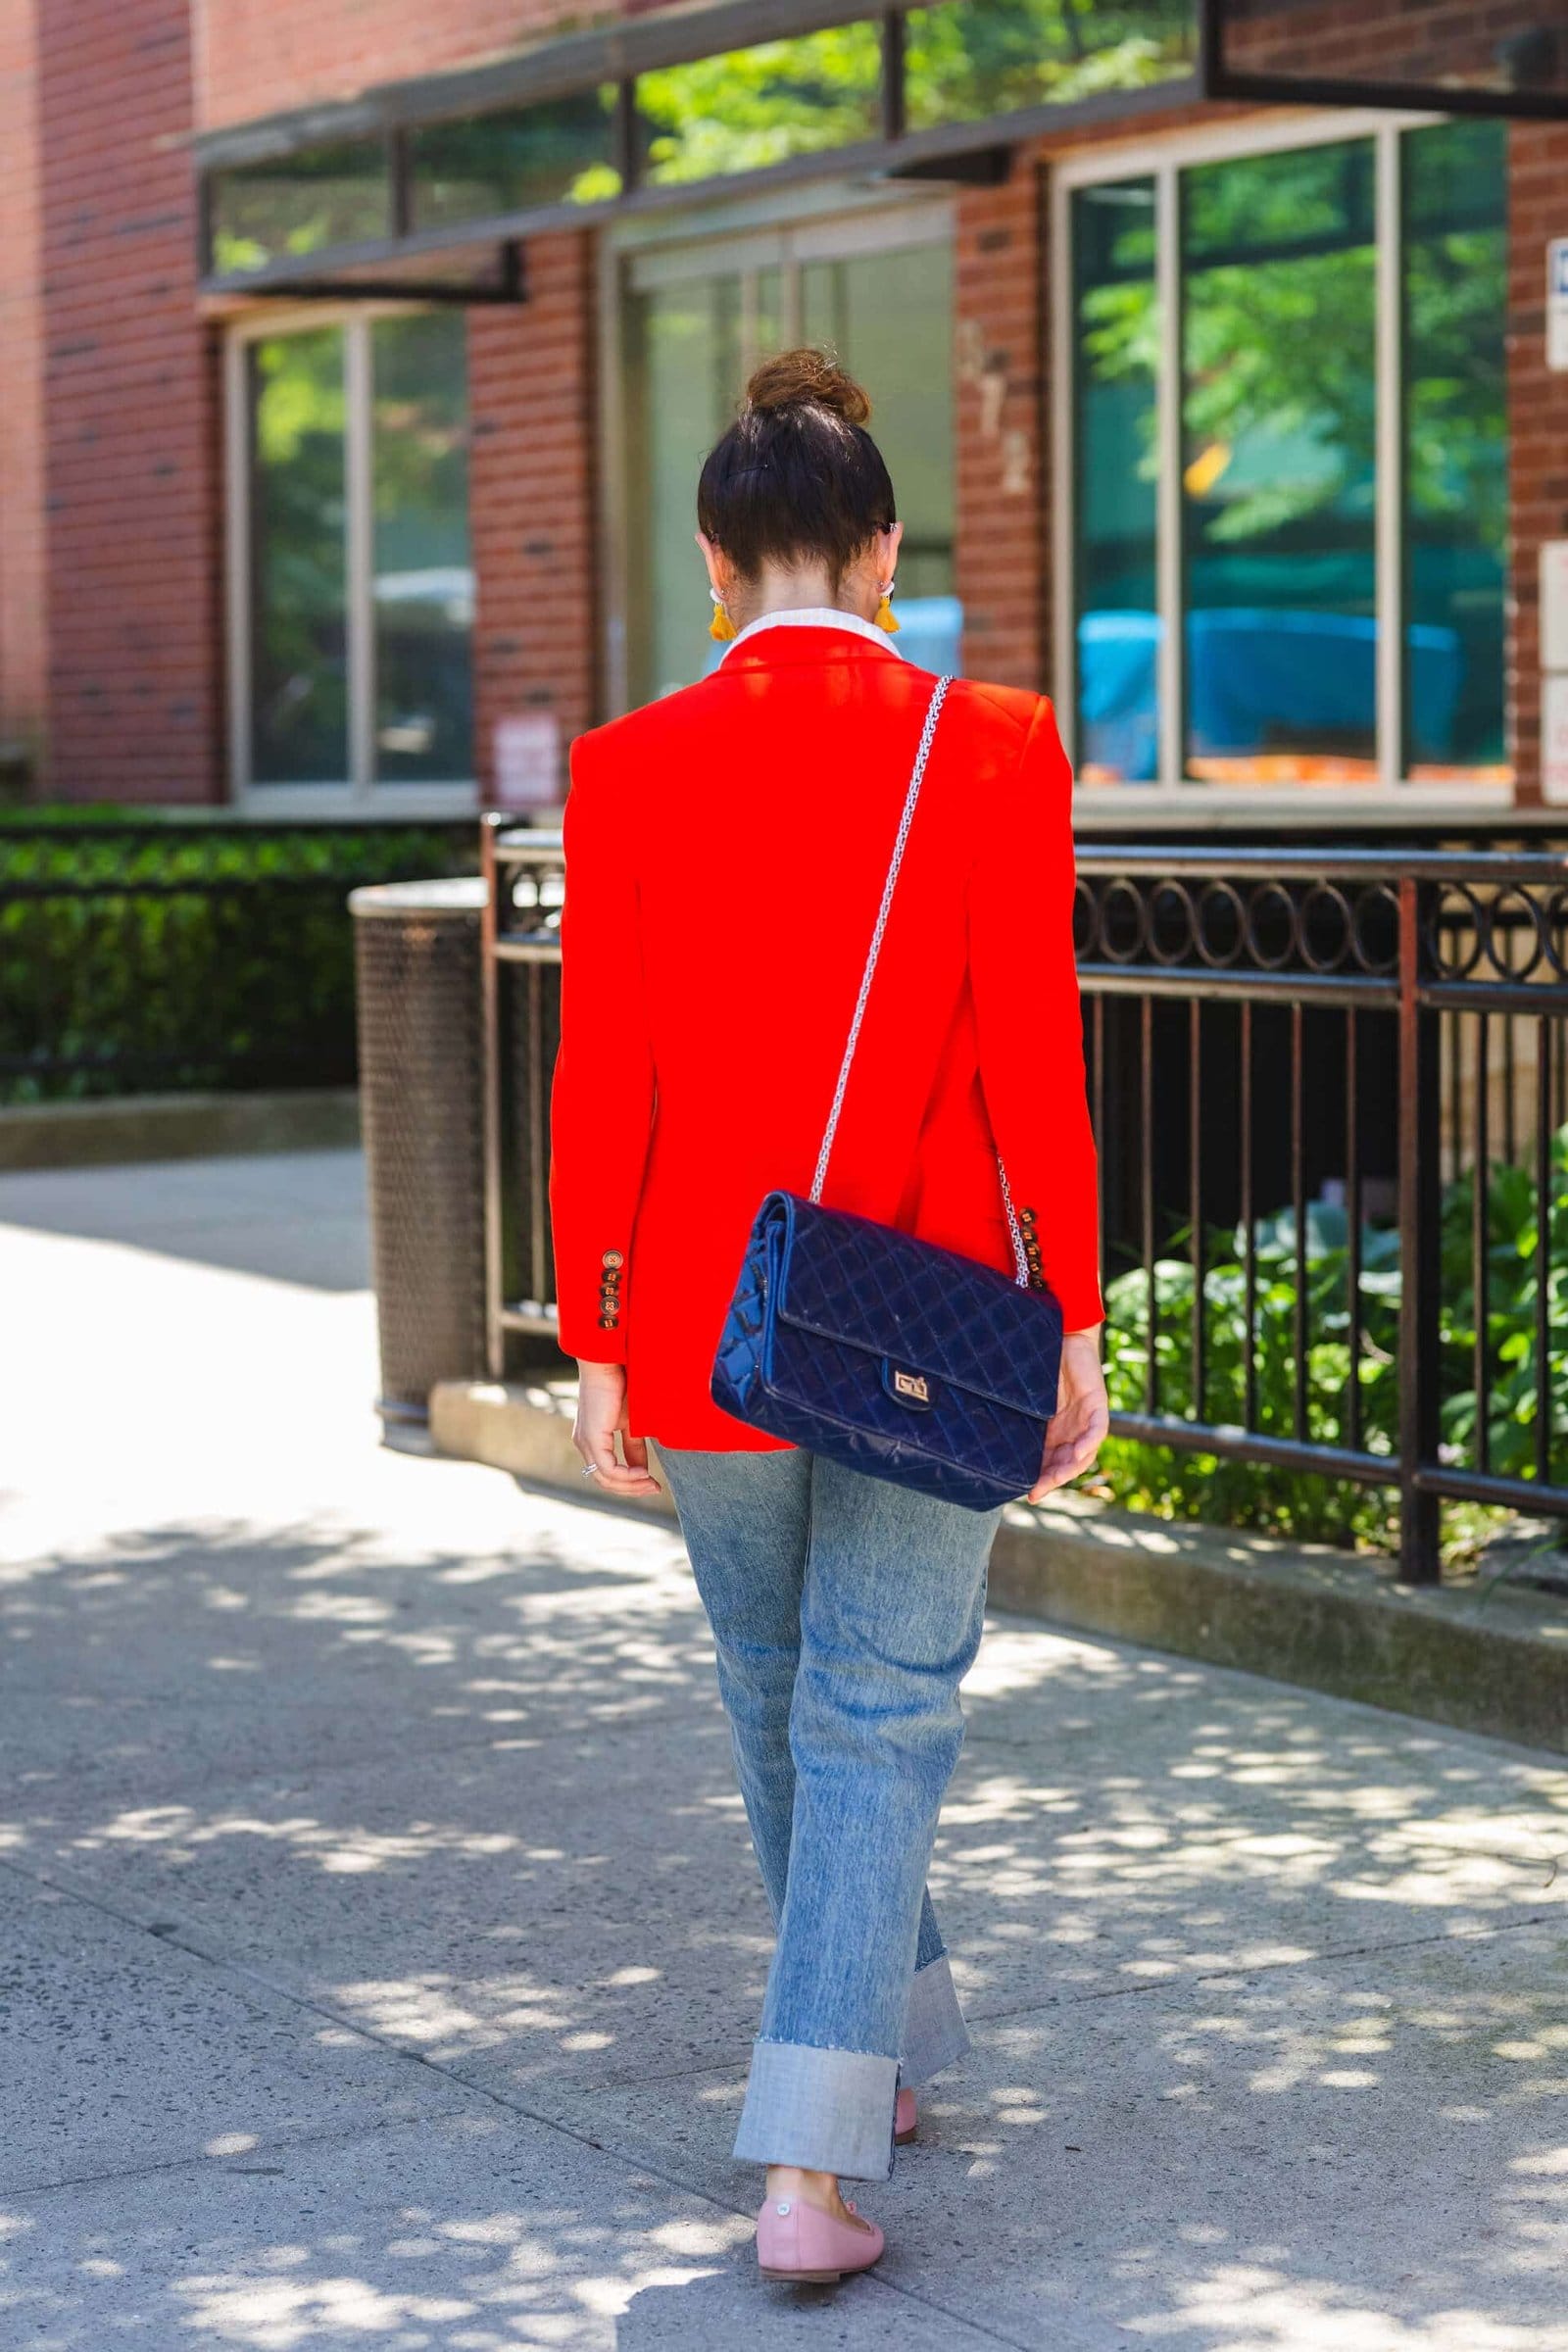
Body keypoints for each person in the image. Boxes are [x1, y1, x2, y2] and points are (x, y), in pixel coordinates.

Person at [549, 348, 1107, 2285]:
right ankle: (811, 2165)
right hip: (931, 1311)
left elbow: (593, 1078)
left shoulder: (620, 769)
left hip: (709, 1315)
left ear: (714, 570)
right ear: (885, 554)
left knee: (784, 1694)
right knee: (877, 1715)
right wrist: (1077, 1321)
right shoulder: (999, 746)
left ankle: (875, 2060)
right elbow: (1039, 1065)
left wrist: (597, 1334)